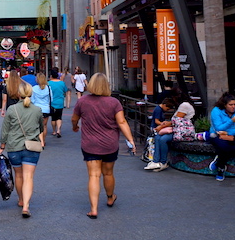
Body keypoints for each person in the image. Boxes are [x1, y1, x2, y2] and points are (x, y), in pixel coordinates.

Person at [72, 73, 137, 219]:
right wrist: (131, 140)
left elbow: (74, 118)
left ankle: (94, 209)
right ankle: (109, 197)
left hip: (90, 144)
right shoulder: (114, 103)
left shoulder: (83, 101)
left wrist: (75, 126)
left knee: (93, 175)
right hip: (110, 144)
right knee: (108, 173)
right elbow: (121, 122)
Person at [0, 82, 44, 218]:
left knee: (18, 175)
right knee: (28, 177)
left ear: (18, 94)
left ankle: (21, 199)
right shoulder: (37, 110)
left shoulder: (12, 109)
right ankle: (26, 206)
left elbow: (5, 130)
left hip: (14, 146)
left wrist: (2, 147)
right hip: (31, 147)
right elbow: (41, 128)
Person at [146, 95, 196, 172]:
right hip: (178, 129)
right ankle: (156, 161)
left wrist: (161, 127)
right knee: (158, 137)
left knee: (163, 139)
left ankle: (162, 161)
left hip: (181, 131)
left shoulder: (184, 106)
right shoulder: (184, 105)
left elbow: (175, 120)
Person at [207, 92, 235, 182]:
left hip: (233, 134)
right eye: (230, 105)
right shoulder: (216, 111)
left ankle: (218, 161)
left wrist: (228, 134)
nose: (233, 107)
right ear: (224, 105)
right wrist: (232, 121)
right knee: (224, 147)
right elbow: (218, 128)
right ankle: (221, 169)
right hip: (217, 134)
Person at [47, 67, 70, 138]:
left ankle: (54, 131)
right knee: (59, 117)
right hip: (60, 102)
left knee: (53, 118)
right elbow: (65, 90)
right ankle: (58, 130)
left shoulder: (48, 83)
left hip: (52, 103)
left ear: (51, 76)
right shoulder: (62, 83)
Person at [30, 73, 51, 144]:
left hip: (36, 109)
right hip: (46, 109)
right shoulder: (48, 88)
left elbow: (32, 100)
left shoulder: (34, 88)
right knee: (44, 126)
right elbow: (52, 99)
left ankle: (39, 141)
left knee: (37, 126)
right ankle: (43, 141)